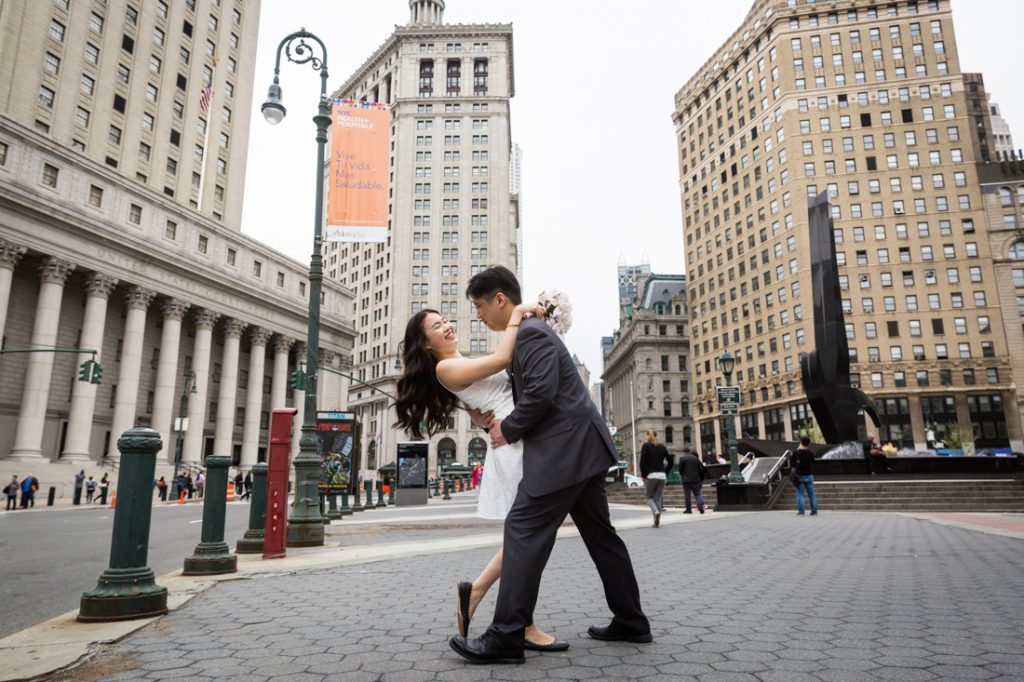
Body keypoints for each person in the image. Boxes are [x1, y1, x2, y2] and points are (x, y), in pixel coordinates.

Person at [449, 266, 651, 663]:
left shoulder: (531, 334)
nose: (478, 315)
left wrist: (509, 428)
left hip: (565, 452)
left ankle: (505, 637)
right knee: (601, 537)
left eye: (479, 306)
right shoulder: (527, 334)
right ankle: (631, 620)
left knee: (522, 529)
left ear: (500, 300)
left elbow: (541, 393)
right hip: (580, 450)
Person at [395, 295, 562, 652]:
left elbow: (479, 403)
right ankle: (494, 602)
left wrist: (479, 416)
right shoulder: (446, 369)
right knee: (530, 534)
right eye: (437, 327)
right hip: (515, 444)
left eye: (445, 320)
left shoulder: (457, 365)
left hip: (514, 435)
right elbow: (503, 359)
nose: (447, 325)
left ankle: (512, 614)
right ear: (426, 344)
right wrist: (518, 312)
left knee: (527, 535)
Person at [639, 430, 673, 528]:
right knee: (657, 498)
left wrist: (644, 474)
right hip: (662, 476)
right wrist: (665, 472)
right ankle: (656, 522)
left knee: (649, 497)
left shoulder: (645, 446)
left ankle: (656, 512)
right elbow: (670, 461)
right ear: (656, 436)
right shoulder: (662, 447)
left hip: (651, 476)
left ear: (647, 436)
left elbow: (642, 462)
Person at [677, 447, 708, 514]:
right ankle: (700, 506)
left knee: (687, 495)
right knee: (698, 494)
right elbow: (699, 469)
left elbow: (680, 470)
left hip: (686, 480)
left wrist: (683, 475)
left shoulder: (682, 459)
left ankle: (688, 509)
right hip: (696, 479)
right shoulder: (695, 458)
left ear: (684, 452)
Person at [793, 436, 818, 516]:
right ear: (809, 444)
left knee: (800, 494)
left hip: (800, 476)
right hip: (809, 475)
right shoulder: (810, 453)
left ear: (801, 442)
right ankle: (814, 511)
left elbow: (791, 460)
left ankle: (801, 512)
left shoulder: (797, 453)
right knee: (811, 494)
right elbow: (813, 462)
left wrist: (798, 449)